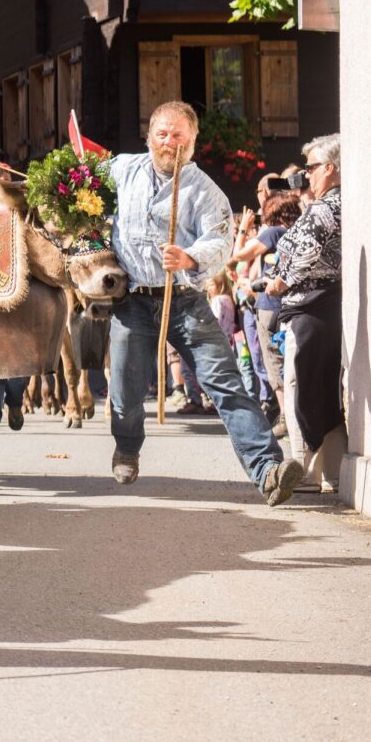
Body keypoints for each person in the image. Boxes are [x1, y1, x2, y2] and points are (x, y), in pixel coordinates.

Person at [104, 102, 302, 504]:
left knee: (226, 384)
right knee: (124, 395)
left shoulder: (204, 190)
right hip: (133, 301)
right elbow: (84, 180)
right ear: (149, 137)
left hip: (186, 301)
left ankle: (268, 470)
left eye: (179, 135)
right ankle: (127, 445)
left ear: (193, 141)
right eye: (162, 133)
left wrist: (190, 257)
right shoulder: (124, 169)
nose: (169, 142)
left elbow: (219, 238)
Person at [266, 134, 343, 491]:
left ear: (330, 168)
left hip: (311, 304)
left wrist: (279, 281)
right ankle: (323, 473)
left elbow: (304, 255)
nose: (306, 175)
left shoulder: (326, 208)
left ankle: (304, 469)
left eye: (311, 168)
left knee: (302, 385)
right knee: (317, 387)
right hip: (319, 304)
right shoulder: (327, 203)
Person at [231, 189, 300, 425]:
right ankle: (294, 413)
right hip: (290, 301)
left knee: (273, 360)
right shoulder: (297, 230)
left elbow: (239, 255)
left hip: (269, 304)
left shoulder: (273, 232)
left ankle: (285, 415)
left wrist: (242, 229)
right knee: (290, 356)